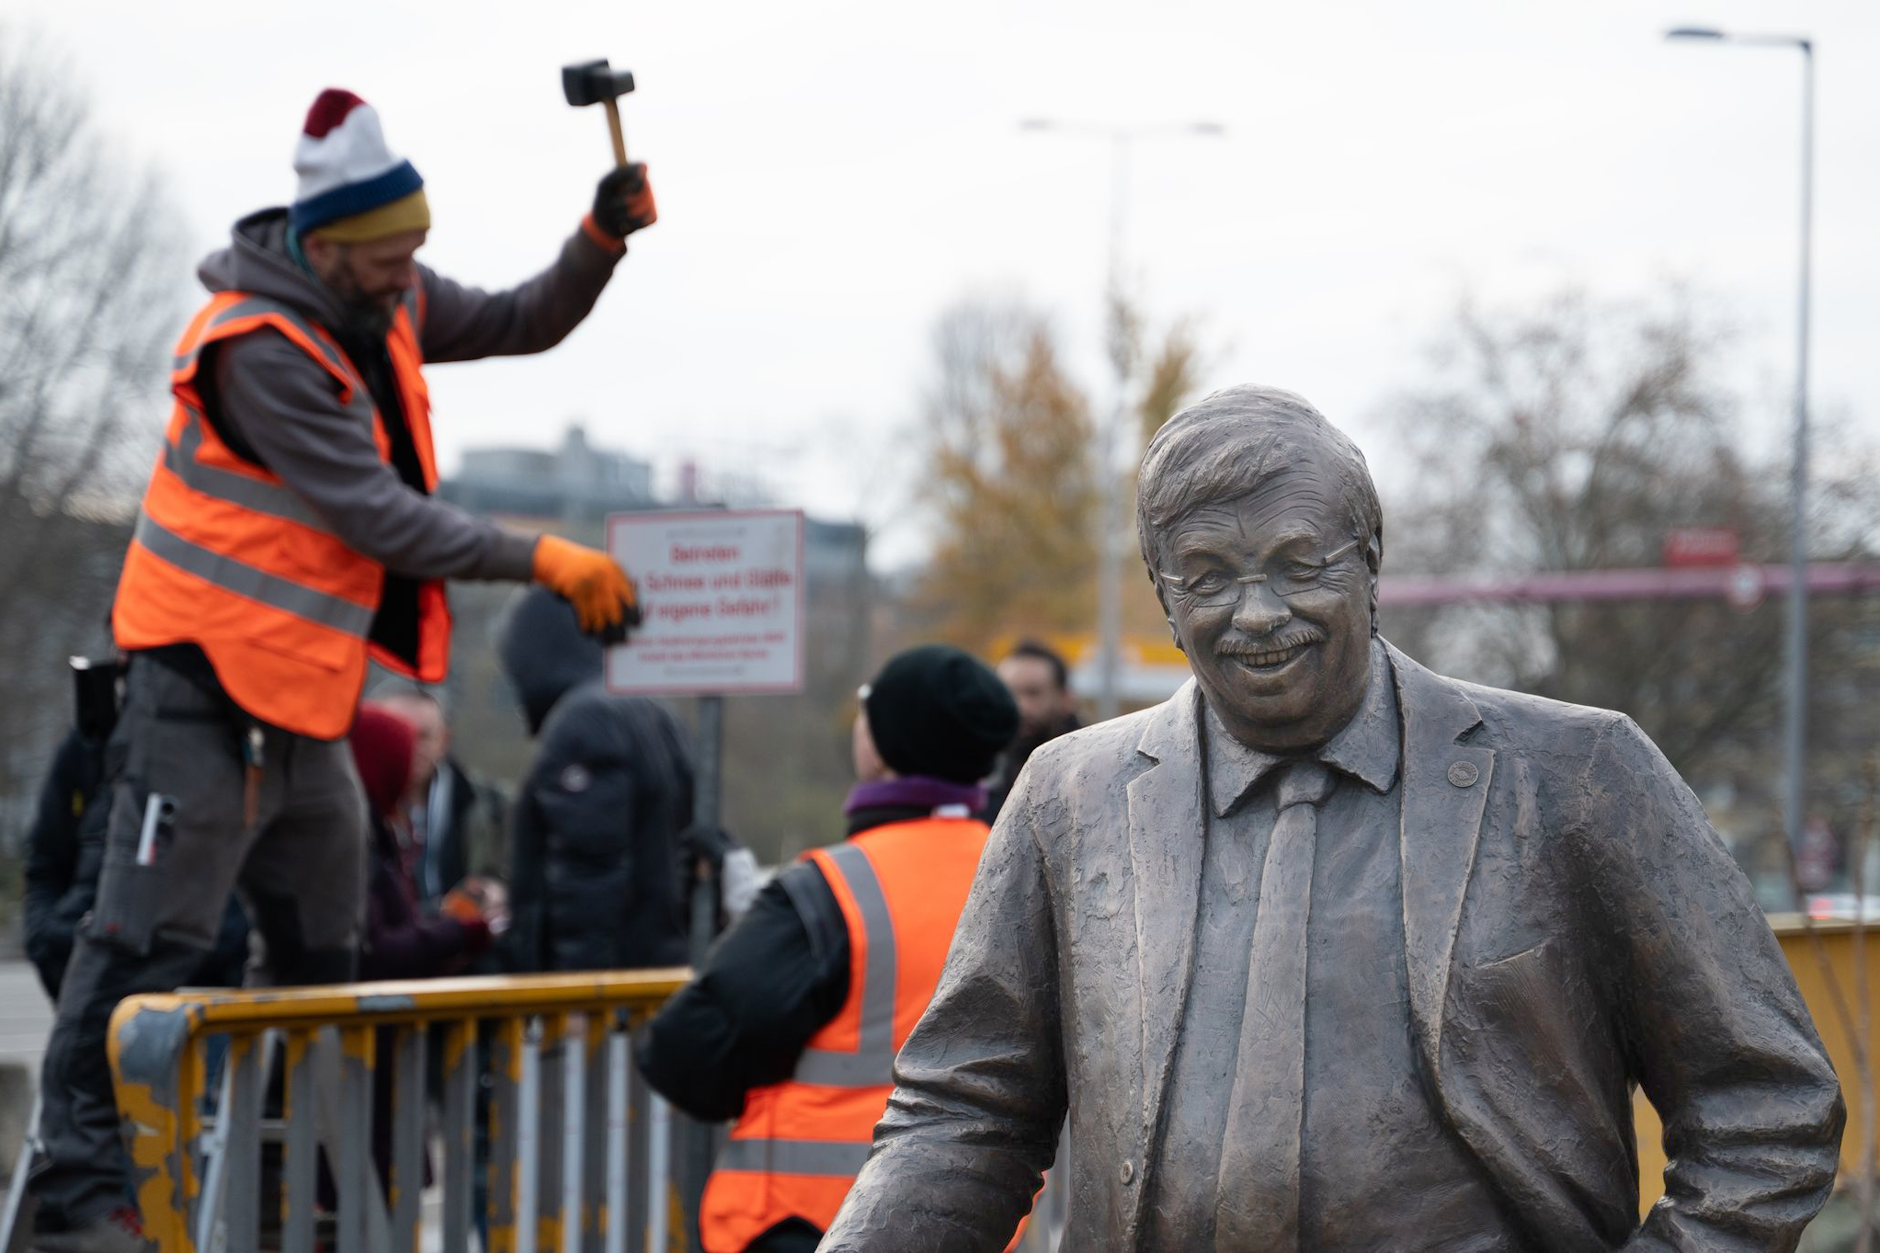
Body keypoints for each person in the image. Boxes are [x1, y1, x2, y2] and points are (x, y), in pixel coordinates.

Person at [819, 386, 1844, 1252]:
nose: (1254, 612)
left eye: (1296, 563)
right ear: (1162, 599)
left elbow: (1763, 1106)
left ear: (1368, 558)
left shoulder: (1577, 773)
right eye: (1207, 577)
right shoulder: (1067, 799)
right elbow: (964, 1114)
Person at [32, 87, 652, 1253]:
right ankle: (78, 1201)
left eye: (416, 251)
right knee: (141, 946)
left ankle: (300, 1196)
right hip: (192, 691)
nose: (410, 274)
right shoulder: (254, 349)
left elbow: (525, 315)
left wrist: (597, 240)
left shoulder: (386, 297)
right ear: (324, 250)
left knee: (326, 952)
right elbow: (381, 517)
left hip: (299, 706)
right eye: (389, 257)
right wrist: (544, 555)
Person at [638, 644, 1019, 1253]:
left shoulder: (834, 889)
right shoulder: (1022, 872)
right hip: (976, 1227)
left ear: (886, 744)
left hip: (809, 1222)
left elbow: (685, 1055)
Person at [499, 587, 696, 972]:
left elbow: (588, 874)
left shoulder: (584, 723)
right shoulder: (652, 706)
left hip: (607, 981)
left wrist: (580, 995)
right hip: (656, 963)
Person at [370, 683, 510, 916]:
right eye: (398, 733)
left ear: (444, 741)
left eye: (423, 736)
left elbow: (514, 875)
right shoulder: (350, 807)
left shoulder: (493, 806)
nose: (411, 746)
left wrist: (495, 889)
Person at [982, 639, 1080, 822]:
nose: (1020, 706)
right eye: (1008, 693)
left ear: (1065, 698)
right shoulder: (979, 775)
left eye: (1033, 693)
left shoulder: (1089, 771)